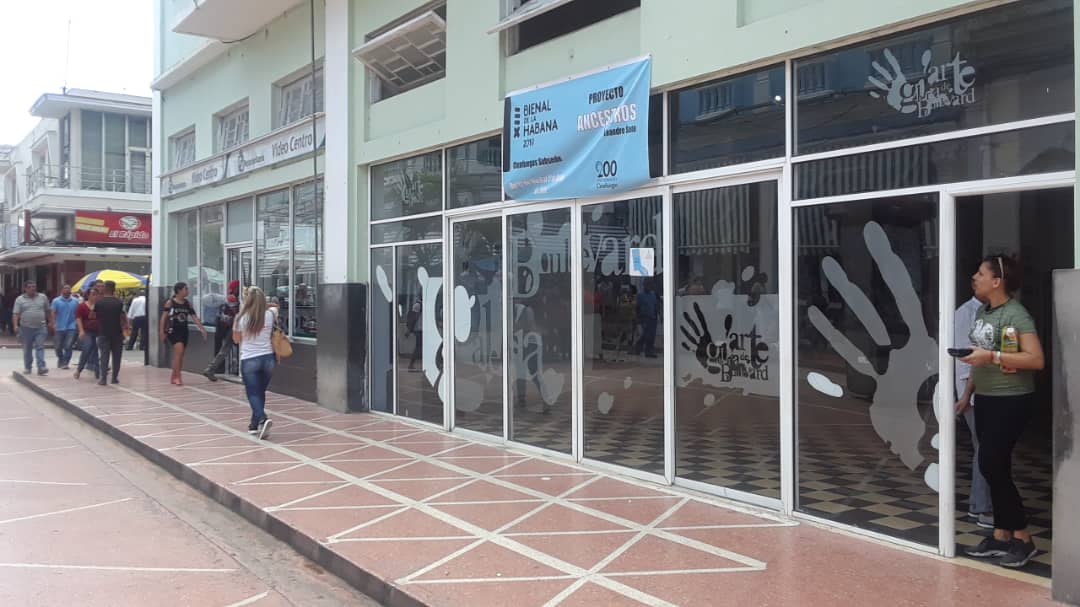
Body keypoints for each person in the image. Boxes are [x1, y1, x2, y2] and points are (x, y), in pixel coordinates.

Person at [958, 254, 1045, 569]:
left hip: (1011, 399)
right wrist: (967, 394)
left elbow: (1035, 359)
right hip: (985, 398)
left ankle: (1022, 537)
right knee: (992, 465)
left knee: (992, 463)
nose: (975, 277)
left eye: (981, 274)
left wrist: (992, 357)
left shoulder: (1016, 314)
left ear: (997, 281)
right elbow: (980, 359)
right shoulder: (984, 311)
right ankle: (1001, 534)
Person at [954, 294, 993, 529]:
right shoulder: (965, 313)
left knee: (985, 447)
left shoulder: (990, 311)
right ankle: (983, 507)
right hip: (973, 393)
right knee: (985, 448)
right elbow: (962, 357)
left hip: (982, 390)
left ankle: (979, 504)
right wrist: (966, 395)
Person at [234, 286, 276, 439]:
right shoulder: (270, 314)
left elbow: (236, 340)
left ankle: (263, 418)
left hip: (250, 359)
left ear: (247, 300)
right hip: (268, 359)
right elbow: (275, 306)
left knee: (252, 393)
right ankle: (254, 424)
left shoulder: (241, 318)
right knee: (259, 392)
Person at [160, 281, 208, 385]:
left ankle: (174, 375)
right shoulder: (170, 303)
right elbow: (163, 318)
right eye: (186, 289)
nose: (187, 291)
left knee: (180, 355)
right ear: (179, 290)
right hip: (173, 331)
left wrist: (202, 329)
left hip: (184, 331)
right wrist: (162, 332)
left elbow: (194, 317)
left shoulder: (187, 303)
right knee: (179, 351)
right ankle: (178, 377)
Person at [13, 280, 53, 376]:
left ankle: (41, 367)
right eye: (30, 287)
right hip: (26, 328)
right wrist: (15, 325)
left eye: (34, 287)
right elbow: (16, 314)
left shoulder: (42, 297)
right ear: (25, 289)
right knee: (27, 348)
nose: (32, 289)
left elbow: (48, 310)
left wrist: (51, 322)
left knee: (40, 346)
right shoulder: (20, 299)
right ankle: (28, 367)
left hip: (41, 327)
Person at [95, 281, 128, 386]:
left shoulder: (99, 303)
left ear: (105, 289)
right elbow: (123, 317)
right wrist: (125, 328)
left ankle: (103, 378)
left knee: (104, 356)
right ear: (114, 289)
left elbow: (93, 316)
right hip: (117, 332)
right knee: (117, 357)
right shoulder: (119, 303)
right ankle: (114, 378)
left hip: (103, 332)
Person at [203, 293, 240, 381]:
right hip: (234, 330)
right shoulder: (231, 307)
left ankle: (210, 369)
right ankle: (211, 369)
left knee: (224, 351)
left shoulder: (223, 306)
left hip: (230, 330)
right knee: (227, 350)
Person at [50, 285, 79, 370]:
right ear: (62, 290)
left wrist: (77, 324)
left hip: (71, 327)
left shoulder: (75, 301)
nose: (67, 290)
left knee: (68, 346)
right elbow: (53, 312)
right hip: (59, 326)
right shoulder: (56, 301)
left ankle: (65, 362)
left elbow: (78, 313)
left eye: (68, 288)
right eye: (65, 288)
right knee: (58, 347)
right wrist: (53, 323)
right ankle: (61, 358)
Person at [74, 289, 101, 380]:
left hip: (98, 331)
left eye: (96, 294)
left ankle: (97, 371)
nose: (95, 296)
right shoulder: (82, 306)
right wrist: (81, 330)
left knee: (96, 351)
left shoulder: (99, 306)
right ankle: (79, 369)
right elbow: (78, 318)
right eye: (93, 294)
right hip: (87, 331)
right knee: (87, 348)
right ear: (88, 295)